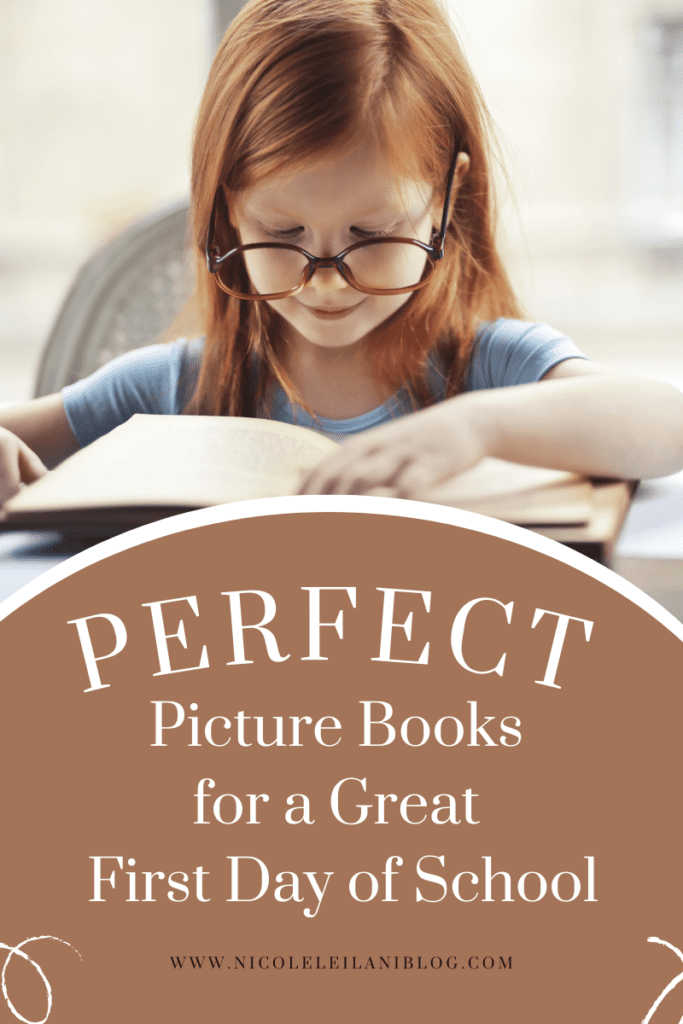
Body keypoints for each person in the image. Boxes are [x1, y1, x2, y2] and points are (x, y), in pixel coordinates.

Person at [2, 0, 683, 506]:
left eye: (371, 235)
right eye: (283, 234)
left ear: (449, 196)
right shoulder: (172, 389)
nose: (325, 284)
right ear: (226, 212)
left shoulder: (493, 369)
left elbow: (665, 424)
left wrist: (478, 429)